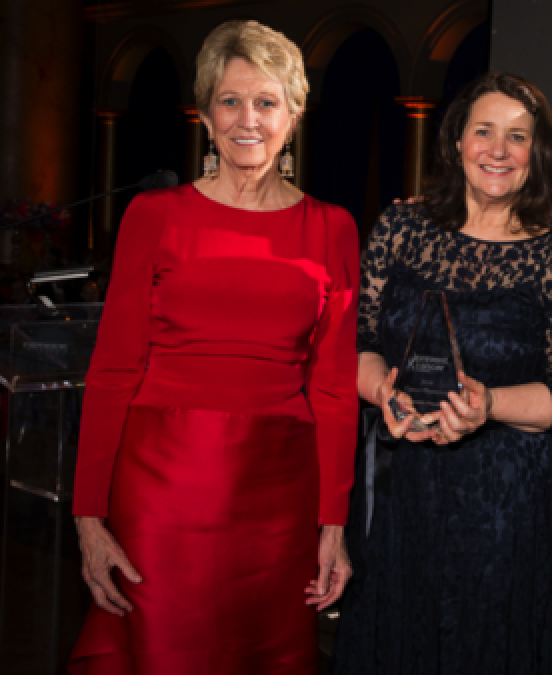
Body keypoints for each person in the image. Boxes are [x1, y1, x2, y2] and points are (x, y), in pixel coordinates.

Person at [68, 20, 360, 673]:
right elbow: (112, 369)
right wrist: (88, 517)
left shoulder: (333, 229)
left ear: (294, 113)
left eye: (266, 102)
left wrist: (332, 523)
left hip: (281, 498)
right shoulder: (155, 216)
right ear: (205, 114)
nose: (246, 119)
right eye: (229, 101)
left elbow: (335, 388)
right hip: (160, 492)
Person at [332, 72, 552, 675]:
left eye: (518, 136)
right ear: (457, 142)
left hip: (503, 502)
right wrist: (383, 392)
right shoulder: (400, 229)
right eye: (484, 132)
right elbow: (356, 342)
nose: (498, 151)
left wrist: (489, 406)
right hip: (399, 484)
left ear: (540, 154)